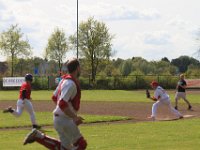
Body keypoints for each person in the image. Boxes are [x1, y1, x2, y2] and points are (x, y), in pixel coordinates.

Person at [23, 58, 87, 150]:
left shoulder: (64, 80)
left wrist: (62, 112)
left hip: (59, 119)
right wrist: (74, 117)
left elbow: (54, 97)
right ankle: (37, 136)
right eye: (80, 67)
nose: (80, 69)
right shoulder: (71, 83)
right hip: (65, 120)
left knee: (64, 148)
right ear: (77, 68)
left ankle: (38, 136)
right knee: (81, 144)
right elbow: (62, 103)